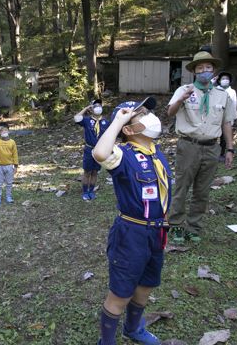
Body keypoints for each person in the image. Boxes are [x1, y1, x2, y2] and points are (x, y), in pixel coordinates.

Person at [92, 97, 171, 345]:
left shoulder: (155, 152)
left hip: (156, 232)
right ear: (127, 129)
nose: (149, 116)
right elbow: (100, 152)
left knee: (146, 285)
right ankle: (106, 341)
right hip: (131, 233)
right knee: (121, 292)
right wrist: (117, 120)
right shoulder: (123, 155)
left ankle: (133, 328)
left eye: (148, 111)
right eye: (141, 115)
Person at [167, 51, 237, 244]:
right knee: (182, 187)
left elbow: (227, 124)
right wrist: (182, 98)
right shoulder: (184, 90)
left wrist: (230, 149)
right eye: (200, 68)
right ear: (194, 72)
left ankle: (193, 227)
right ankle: (175, 226)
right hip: (189, 145)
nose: (204, 71)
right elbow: (170, 112)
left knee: (203, 190)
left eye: (208, 67)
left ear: (213, 71)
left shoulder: (223, 95)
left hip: (212, 147)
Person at [74, 99, 111, 201]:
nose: (98, 107)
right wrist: (85, 109)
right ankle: (85, 191)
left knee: (95, 172)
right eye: (95, 106)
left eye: (99, 105)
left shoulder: (105, 122)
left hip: (100, 150)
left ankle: (91, 190)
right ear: (91, 108)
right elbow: (76, 118)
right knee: (87, 171)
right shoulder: (86, 120)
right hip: (89, 150)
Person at [215, 72, 237, 156]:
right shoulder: (215, 90)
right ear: (219, 80)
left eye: (227, 79)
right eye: (223, 79)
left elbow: (234, 104)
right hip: (216, 115)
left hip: (227, 116)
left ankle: (221, 153)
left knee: (224, 137)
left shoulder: (232, 92)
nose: (225, 80)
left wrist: (232, 117)